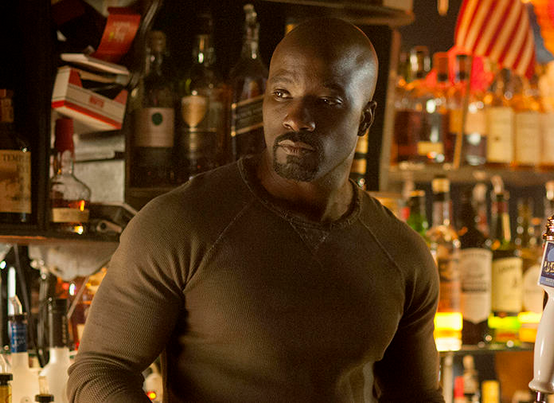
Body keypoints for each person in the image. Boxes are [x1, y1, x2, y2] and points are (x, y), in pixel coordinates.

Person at [67, 17, 444, 402]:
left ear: (365, 118)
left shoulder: (403, 255)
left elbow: (417, 396)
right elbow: (99, 371)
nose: (296, 117)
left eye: (326, 101)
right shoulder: (181, 223)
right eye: (281, 93)